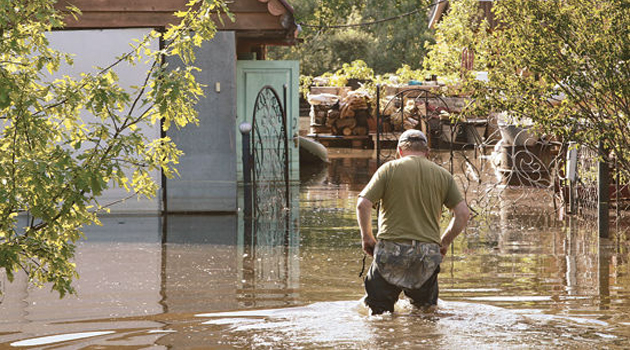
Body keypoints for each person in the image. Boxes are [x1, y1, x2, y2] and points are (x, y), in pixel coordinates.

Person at [356, 129, 469, 315]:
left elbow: (363, 205)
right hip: (426, 254)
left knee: (379, 315)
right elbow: (463, 214)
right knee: (425, 313)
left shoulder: (389, 169)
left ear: (399, 150)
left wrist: (367, 238)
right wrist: (444, 242)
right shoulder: (443, 175)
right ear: (427, 151)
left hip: (391, 251)